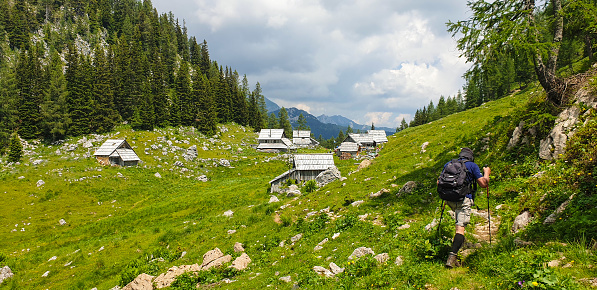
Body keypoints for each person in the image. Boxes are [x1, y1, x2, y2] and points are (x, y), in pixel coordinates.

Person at [440, 147, 490, 268]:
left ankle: (457, 250)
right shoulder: (472, 166)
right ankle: (451, 258)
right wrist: (487, 172)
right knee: (460, 229)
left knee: (458, 224)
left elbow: (439, 182)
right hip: (463, 200)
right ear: (471, 156)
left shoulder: (449, 164)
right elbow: (483, 183)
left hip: (449, 200)